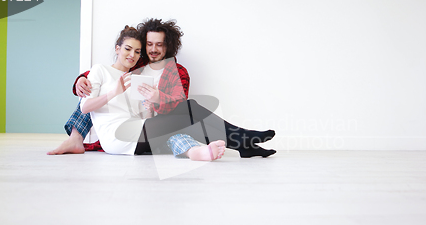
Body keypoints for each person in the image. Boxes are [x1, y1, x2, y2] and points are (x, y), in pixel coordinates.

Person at [48, 19, 276, 158]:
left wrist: (156, 100)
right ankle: (243, 140)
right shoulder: (133, 66)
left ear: (169, 46)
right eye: (148, 45)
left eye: (160, 44)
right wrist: (80, 80)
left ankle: (243, 144)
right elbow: (97, 81)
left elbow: (178, 113)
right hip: (124, 135)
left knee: (190, 109)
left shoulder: (177, 73)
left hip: (150, 128)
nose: (152, 49)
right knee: (191, 109)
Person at [75, 25, 226, 160]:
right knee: (187, 110)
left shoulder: (135, 78)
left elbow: (141, 117)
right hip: (116, 137)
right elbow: (84, 107)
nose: (132, 55)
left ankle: (196, 151)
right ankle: (240, 140)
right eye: (127, 49)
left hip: (137, 132)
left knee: (180, 122)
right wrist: (113, 92)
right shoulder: (99, 70)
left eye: (137, 52)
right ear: (117, 49)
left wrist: (150, 109)